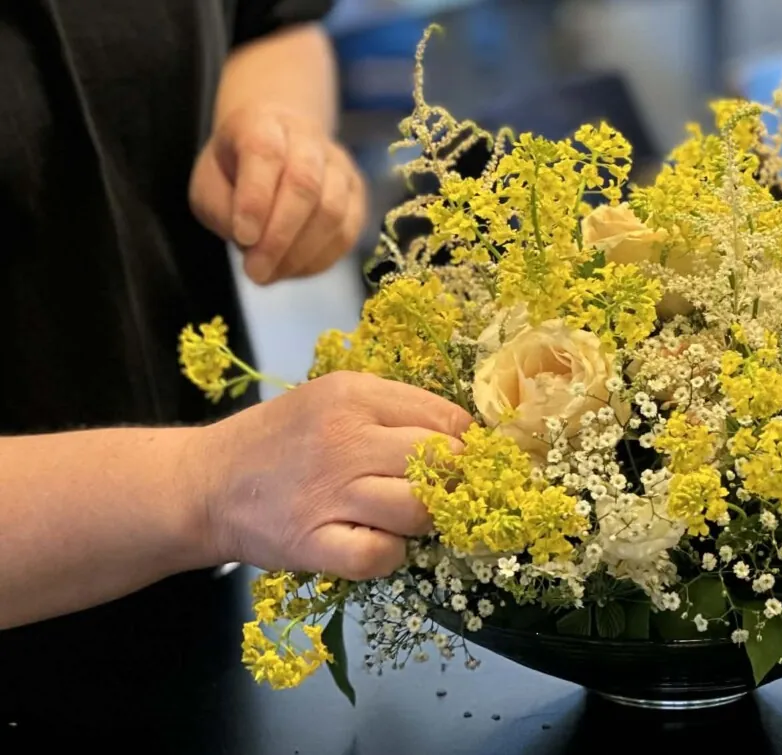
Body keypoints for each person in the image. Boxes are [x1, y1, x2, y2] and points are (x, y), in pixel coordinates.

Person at [0, 1, 468, 731]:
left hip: (189, 623)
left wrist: (278, 133)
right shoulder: (216, 491)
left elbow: (273, 25)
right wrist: (201, 481)